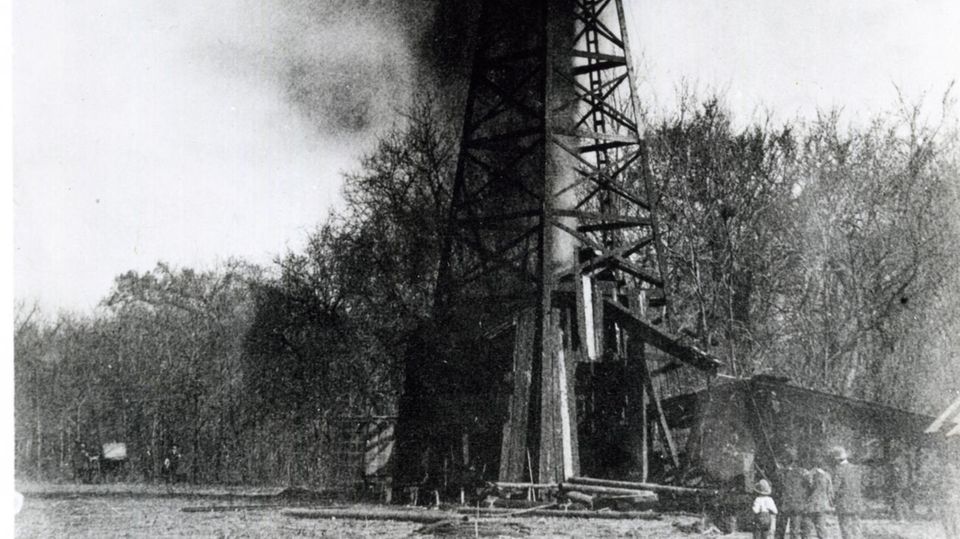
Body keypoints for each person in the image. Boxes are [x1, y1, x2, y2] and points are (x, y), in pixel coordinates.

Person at [775, 448, 808, 539]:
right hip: (797, 505)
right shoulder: (802, 472)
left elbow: (777, 486)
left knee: (780, 531)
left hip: (783, 504)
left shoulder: (781, 473)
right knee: (795, 531)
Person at [831, 446, 864, 539]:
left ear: (836, 459)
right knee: (856, 528)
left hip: (843, 504)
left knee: (846, 529)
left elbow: (834, 488)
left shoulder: (838, 470)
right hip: (856, 502)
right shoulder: (856, 468)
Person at [803, 455, 833, 539]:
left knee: (806, 531)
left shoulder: (809, 474)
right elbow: (830, 492)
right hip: (822, 505)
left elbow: (806, 489)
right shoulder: (827, 475)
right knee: (821, 529)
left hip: (809, 505)